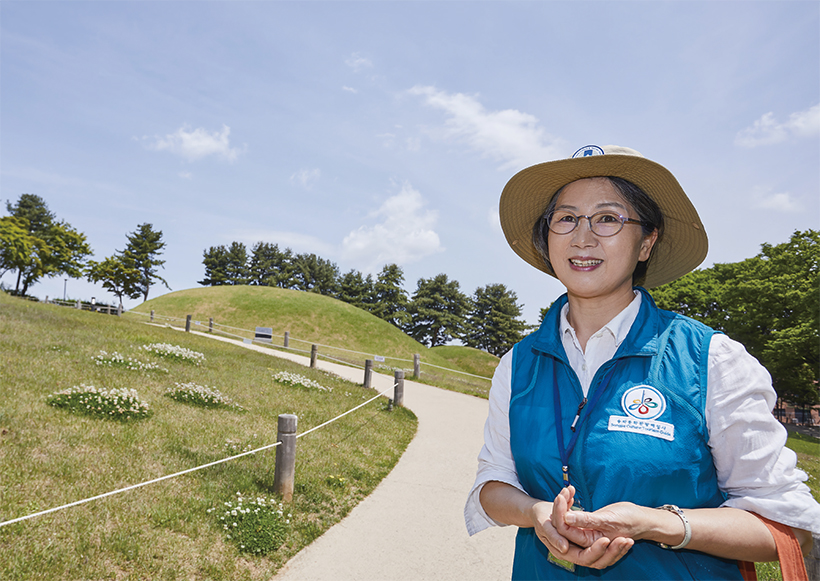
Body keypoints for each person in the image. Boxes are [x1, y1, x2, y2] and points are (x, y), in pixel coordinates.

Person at [464, 144, 820, 580]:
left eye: (608, 218)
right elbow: (493, 483)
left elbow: (788, 526)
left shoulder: (711, 359)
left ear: (647, 242)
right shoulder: (519, 363)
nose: (583, 236)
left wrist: (657, 523)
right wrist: (536, 511)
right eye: (566, 218)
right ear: (548, 237)